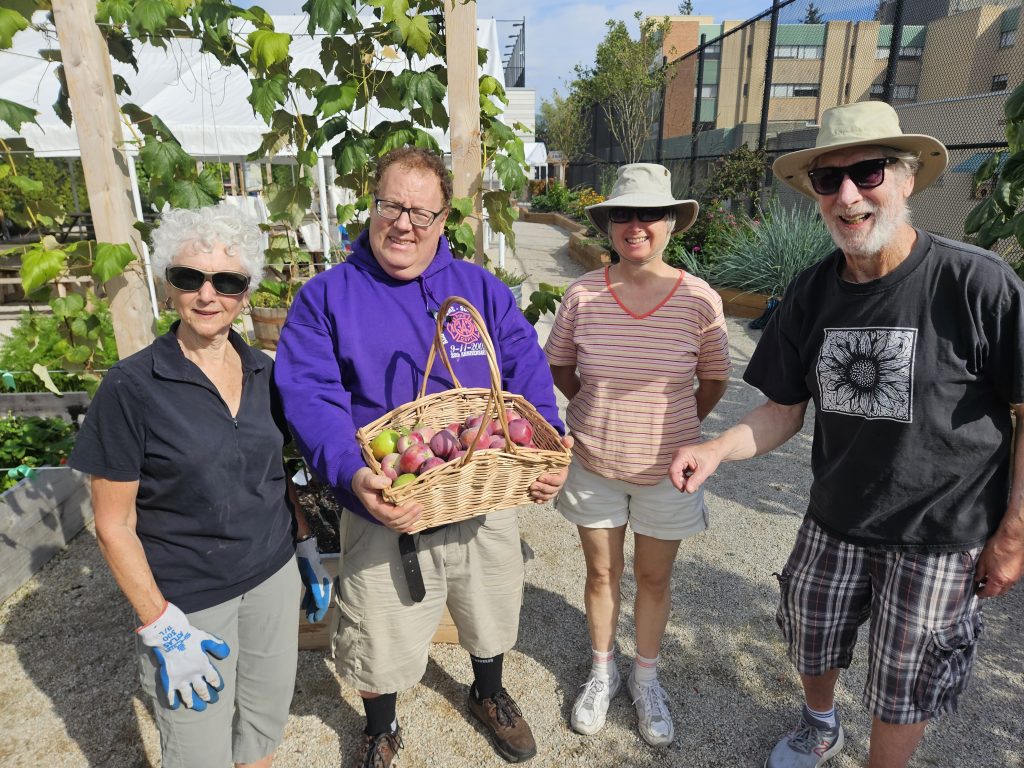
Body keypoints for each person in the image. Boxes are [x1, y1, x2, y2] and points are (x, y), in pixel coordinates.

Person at [670, 101, 1024, 768]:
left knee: (903, 682)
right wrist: (715, 447)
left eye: (868, 172)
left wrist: (1014, 531)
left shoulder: (976, 283)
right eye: (829, 180)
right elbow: (783, 408)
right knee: (809, 629)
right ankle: (820, 724)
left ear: (909, 177)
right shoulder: (810, 293)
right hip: (835, 516)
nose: (849, 195)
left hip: (939, 535)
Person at [273, 146, 572, 768]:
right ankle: (380, 726)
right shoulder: (328, 297)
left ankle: (487, 692)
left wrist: (546, 444)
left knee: (489, 600)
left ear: (443, 221)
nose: (404, 224)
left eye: (422, 212)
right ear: (372, 205)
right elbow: (311, 396)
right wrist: (352, 473)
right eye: (392, 206)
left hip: (480, 486)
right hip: (386, 495)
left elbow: (523, 367)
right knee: (376, 627)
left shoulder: (475, 290)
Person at [68, 202, 329, 768]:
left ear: (246, 291)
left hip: (272, 577)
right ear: (169, 285)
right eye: (190, 278)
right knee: (197, 749)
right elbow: (113, 525)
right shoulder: (132, 387)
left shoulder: (262, 370)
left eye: (228, 282)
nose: (208, 295)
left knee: (261, 728)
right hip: (190, 602)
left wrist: (303, 542)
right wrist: (161, 624)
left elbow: (271, 469)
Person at [544, 163, 730, 746]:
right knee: (601, 572)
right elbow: (562, 367)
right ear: (608, 224)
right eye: (623, 214)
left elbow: (714, 379)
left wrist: (677, 425)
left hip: (666, 469)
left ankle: (645, 674)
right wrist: (599, 414)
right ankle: (603, 669)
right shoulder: (583, 294)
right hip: (595, 462)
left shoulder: (699, 301)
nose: (636, 225)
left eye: (650, 213)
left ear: (671, 221)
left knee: (653, 577)